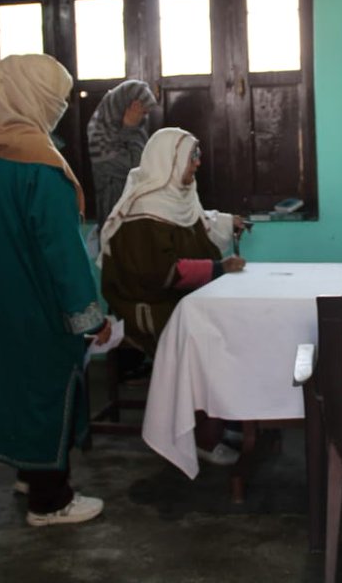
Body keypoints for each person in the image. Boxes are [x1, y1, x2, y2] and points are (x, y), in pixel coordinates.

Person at [0, 54, 112, 528]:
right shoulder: (41, 166)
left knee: (17, 387)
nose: (61, 107)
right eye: (56, 98)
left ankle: (28, 474)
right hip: (40, 302)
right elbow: (62, 251)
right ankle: (50, 500)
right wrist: (91, 316)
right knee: (50, 389)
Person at [100, 126, 248, 465]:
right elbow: (157, 272)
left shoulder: (179, 198)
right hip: (147, 305)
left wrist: (227, 225)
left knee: (232, 329)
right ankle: (201, 437)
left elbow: (199, 227)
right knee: (208, 345)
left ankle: (224, 417)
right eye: (192, 157)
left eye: (197, 156)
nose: (197, 164)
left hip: (180, 299)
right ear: (170, 160)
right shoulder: (143, 212)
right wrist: (217, 269)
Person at [86, 79, 158, 227]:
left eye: (144, 113)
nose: (142, 117)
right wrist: (130, 129)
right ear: (123, 106)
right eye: (141, 112)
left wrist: (131, 129)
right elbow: (138, 168)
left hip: (136, 207)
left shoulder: (134, 127)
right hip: (114, 210)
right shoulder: (100, 135)